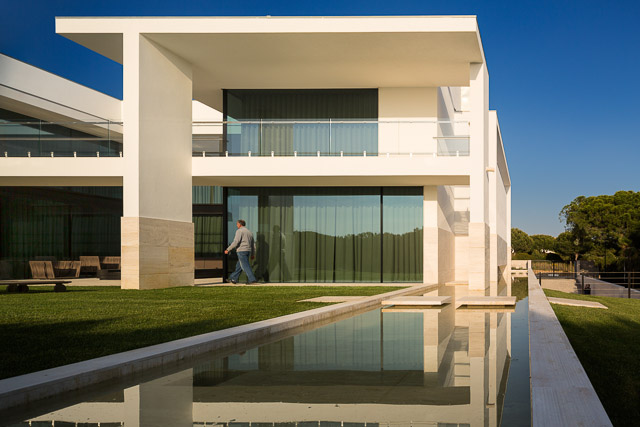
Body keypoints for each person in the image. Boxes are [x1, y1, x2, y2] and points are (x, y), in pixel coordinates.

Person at [225, 219, 258, 284]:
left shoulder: (239, 231)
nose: (236, 225)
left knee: (245, 265)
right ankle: (233, 278)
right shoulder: (249, 232)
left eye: (237, 224)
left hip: (241, 251)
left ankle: (252, 280)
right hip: (248, 251)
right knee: (239, 266)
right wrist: (252, 254)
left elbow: (236, 242)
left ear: (240, 224)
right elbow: (253, 244)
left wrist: (228, 249)